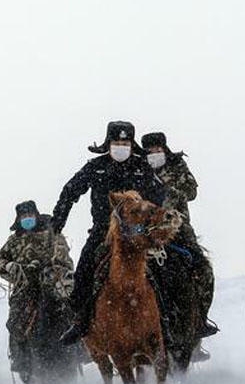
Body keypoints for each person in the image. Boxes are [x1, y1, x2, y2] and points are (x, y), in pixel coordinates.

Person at [52, 121, 166, 344]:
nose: (121, 146)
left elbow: (158, 195)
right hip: (103, 232)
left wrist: (151, 222)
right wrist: (58, 222)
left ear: (132, 144)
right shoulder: (95, 166)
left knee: (165, 270)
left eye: (125, 142)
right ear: (109, 143)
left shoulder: (142, 167)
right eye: (117, 142)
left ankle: (167, 322)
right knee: (85, 268)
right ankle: (81, 322)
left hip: (139, 232)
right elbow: (70, 191)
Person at [141, 132, 218, 343]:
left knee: (204, 271)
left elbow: (192, 191)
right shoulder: (139, 169)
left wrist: (168, 188)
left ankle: (200, 320)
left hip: (179, 229)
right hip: (148, 232)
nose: (154, 154)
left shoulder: (177, 165)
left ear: (164, 149)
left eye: (158, 150)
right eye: (149, 151)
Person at [0, 201, 76, 381]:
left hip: (53, 283)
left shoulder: (52, 233)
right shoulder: (14, 240)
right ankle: (20, 360)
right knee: (16, 320)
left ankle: (79, 352)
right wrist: (12, 267)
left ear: (36, 215)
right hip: (26, 287)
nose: (27, 219)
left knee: (71, 310)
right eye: (23, 216)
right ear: (18, 218)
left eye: (30, 215)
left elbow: (64, 258)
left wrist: (49, 267)